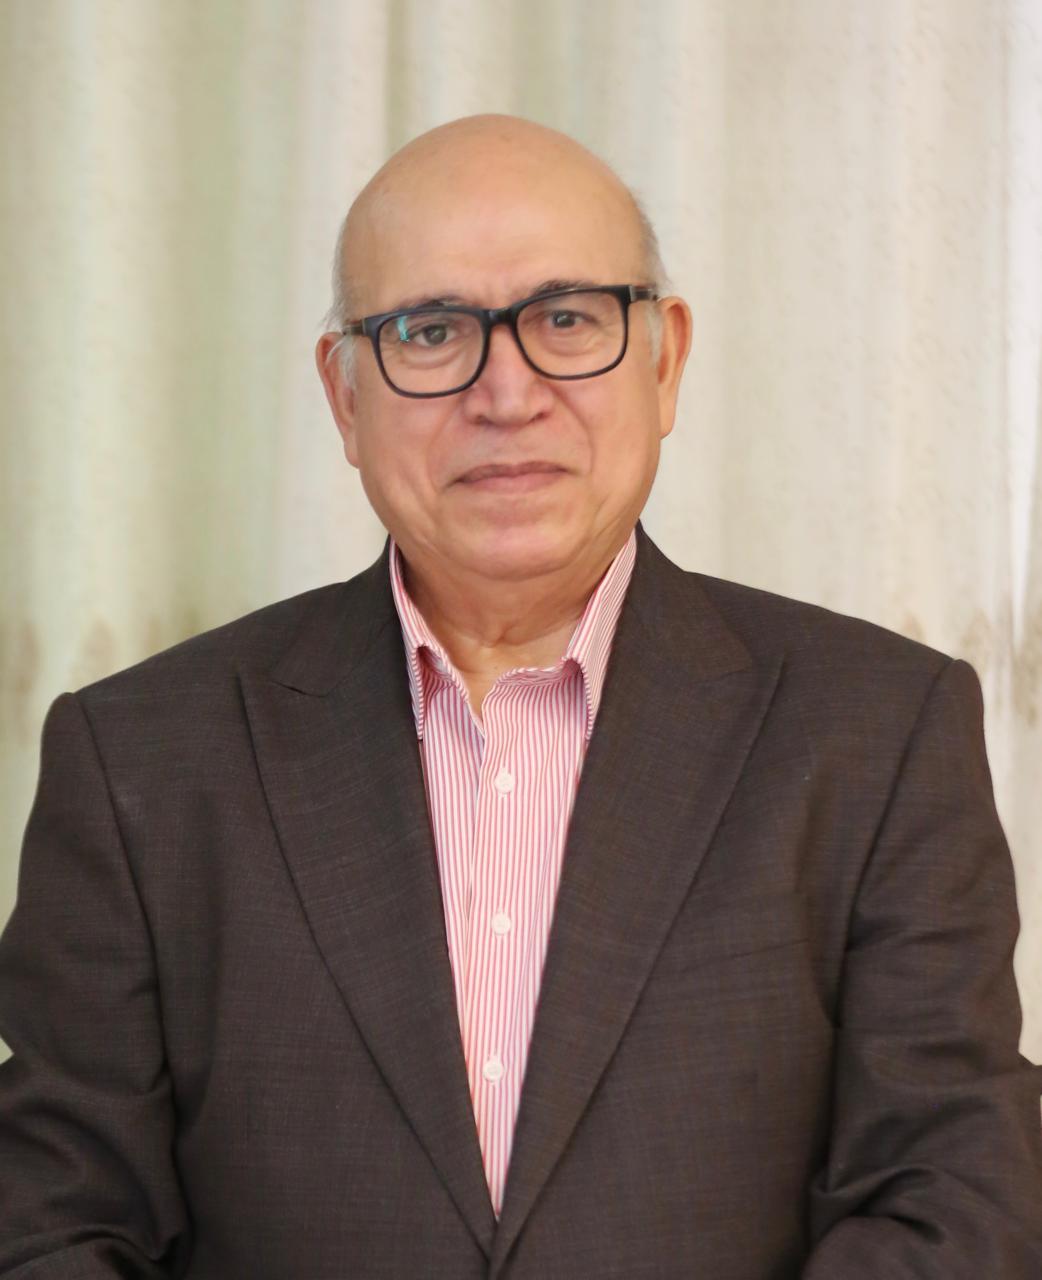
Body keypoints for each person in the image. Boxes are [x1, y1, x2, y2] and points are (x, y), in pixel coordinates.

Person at [1, 113, 1040, 1279]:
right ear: (345, 396)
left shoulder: (877, 731)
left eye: (566, 318)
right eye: (431, 330)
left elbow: (953, 1189)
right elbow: (53, 1219)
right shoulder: (140, 757)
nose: (508, 392)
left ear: (663, 361)